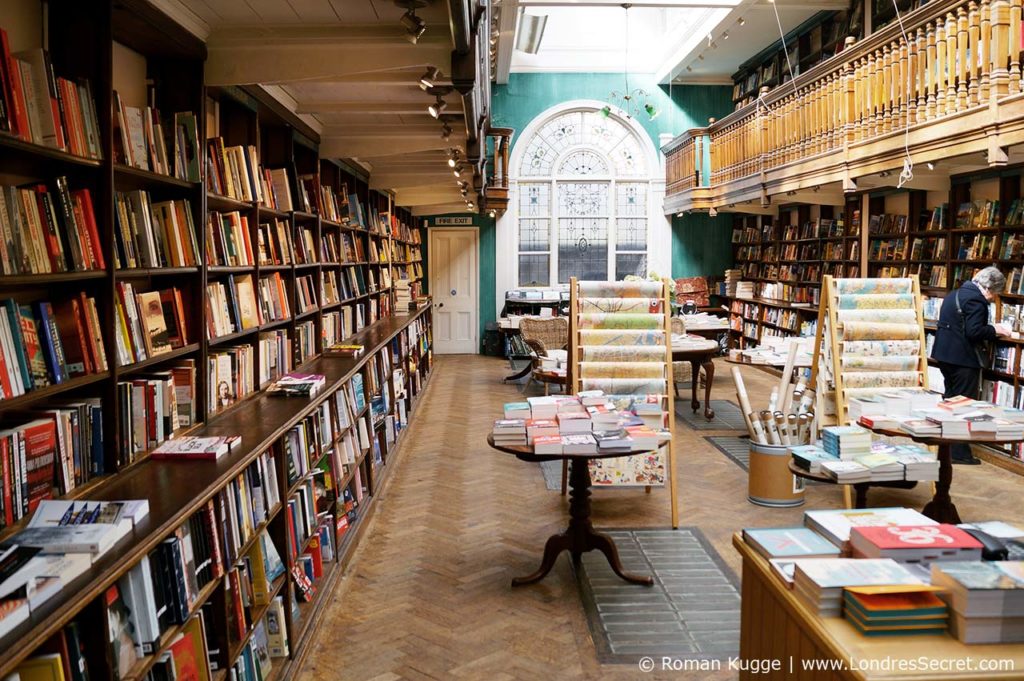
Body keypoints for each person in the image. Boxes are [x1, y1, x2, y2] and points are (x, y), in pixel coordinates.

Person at [931, 266, 1011, 464]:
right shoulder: (977, 300)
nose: (993, 298)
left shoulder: (955, 293)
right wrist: (995, 329)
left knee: (950, 401)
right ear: (989, 287)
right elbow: (974, 332)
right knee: (964, 406)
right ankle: (958, 453)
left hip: (944, 355)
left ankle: (945, 447)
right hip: (962, 359)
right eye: (994, 294)